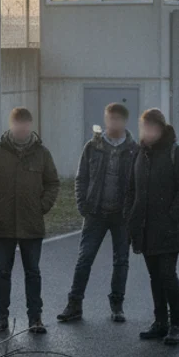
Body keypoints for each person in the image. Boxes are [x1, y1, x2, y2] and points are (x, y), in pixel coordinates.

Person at [0, 107, 61, 334]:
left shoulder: (42, 153)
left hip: (32, 225)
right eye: (18, 124)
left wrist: (42, 206)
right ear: (11, 125)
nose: (21, 129)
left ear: (31, 126)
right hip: (3, 225)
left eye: (25, 125)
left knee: (32, 272)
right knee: (2, 272)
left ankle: (35, 318)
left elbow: (53, 182)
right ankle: (0, 317)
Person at [58, 102, 138, 324]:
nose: (112, 123)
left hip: (122, 216)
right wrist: (83, 206)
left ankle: (117, 306)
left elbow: (138, 184)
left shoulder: (134, 150)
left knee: (121, 261)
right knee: (85, 258)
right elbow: (81, 178)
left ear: (124, 122)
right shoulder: (92, 147)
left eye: (116, 119)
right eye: (109, 119)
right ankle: (74, 304)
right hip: (95, 212)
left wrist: (132, 212)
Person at [125, 109, 179, 346]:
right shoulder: (140, 154)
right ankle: (160, 322)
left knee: (168, 275)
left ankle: (177, 325)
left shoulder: (176, 153)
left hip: (168, 228)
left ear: (160, 128)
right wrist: (131, 216)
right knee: (154, 276)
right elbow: (133, 189)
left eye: (149, 128)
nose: (145, 133)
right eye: (143, 128)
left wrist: (172, 217)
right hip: (145, 227)